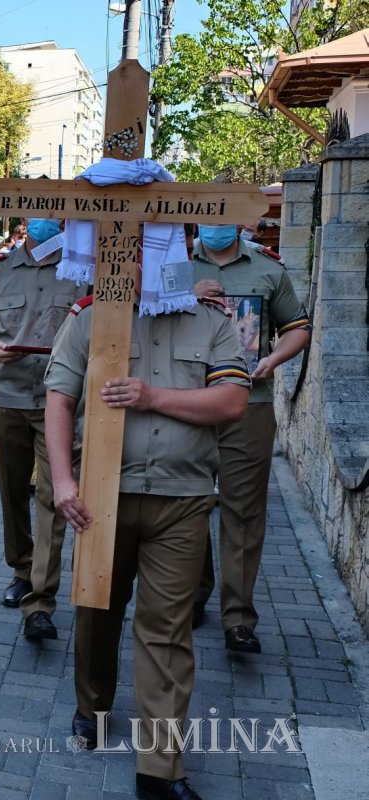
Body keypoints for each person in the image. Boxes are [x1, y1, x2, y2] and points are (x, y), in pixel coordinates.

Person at [46, 292, 250, 800]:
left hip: (181, 500)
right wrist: (62, 481)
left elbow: (232, 401)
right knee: (97, 612)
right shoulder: (91, 315)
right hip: (100, 494)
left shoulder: (212, 320)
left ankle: (159, 769)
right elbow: (59, 397)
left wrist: (151, 396)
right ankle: (92, 704)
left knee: (166, 630)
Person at [188, 224, 311, 651]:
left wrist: (273, 359)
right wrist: (185, 296)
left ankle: (238, 618)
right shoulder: (174, 263)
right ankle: (193, 595)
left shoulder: (267, 268)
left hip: (249, 403)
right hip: (186, 403)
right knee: (187, 503)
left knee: (243, 510)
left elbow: (298, 326)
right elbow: (142, 316)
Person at [0, 217, 80, 633]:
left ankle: (40, 598)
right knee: (12, 492)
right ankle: (23, 568)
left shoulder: (78, 271)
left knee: (53, 498)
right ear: (24, 224)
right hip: (9, 397)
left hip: (59, 401)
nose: (47, 222)